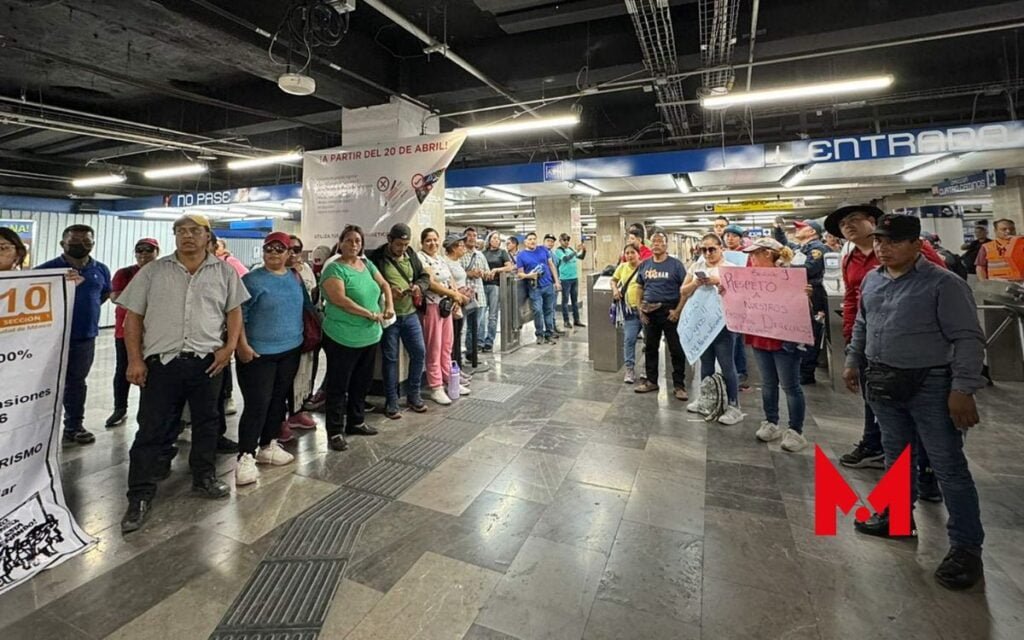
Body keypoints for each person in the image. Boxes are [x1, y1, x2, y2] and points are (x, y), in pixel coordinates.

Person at [842, 213, 986, 591]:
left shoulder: (944, 284)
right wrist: (853, 360)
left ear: (916, 244)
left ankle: (966, 547)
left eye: (892, 241)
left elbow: (968, 338)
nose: (882, 248)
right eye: (879, 241)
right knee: (896, 456)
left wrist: (963, 388)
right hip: (884, 381)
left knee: (947, 465)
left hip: (932, 384)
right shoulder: (873, 280)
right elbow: (863, 324)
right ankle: (896, 516)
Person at [117, 214, 249, 533]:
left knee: (207, 424)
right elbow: (132, 318)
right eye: (181, 231)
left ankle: (204, 478)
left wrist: (228, 348)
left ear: (207, 237)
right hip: (162, 363)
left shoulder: (225, 271)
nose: (187, 236)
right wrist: (134, 360)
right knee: (152, 428)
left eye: (194, 231)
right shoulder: (153, 271)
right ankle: (140, 495)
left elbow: (234, 312)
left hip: (207, 361)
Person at [825, 204, 947, 488]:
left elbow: (942, 287)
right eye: (844, 224)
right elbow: (854, 299)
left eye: (855, 220)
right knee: (877, 402)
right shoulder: (851, 259)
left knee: (922, 413)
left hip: (914, 348)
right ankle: (875, 447)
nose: (849, 226)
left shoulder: (917, 252)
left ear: (872, 221)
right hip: (870, 343)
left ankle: (929, 472)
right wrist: (851, 340)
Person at [233, 232, 303, 486]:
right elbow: (238, 315)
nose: (273, 254)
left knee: (277, 401)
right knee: (257, 404)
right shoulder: (251, 280)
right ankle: (246, 455)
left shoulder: (294, 278)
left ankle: (267, 445)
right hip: (258, 353)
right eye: (269, 249)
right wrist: (241, 345)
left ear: (288, 254)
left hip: (290, 350)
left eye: (279, 249)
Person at [319, 225, 393, 452]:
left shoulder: (367, 264)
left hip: (369, 336)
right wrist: (370, 314)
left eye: (358, 241)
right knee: (338, 386)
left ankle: (356, 421)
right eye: (349, 240)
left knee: (361, 382)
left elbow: (384, 284)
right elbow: (340, 300)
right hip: (342, 337)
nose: (353, 245)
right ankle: (334, 431)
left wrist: (389, 305)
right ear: (340, 243)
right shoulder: (334, 269)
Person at [38, 224, 112, 445]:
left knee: (77, 383)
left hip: (84, 337)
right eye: (74, 242)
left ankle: (73, 426)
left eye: (86, 242)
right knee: (44, 384)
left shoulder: (101, 270)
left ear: (93, 244)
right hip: (51, 339)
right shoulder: (46, 270)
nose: (81, 245)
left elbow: (104, 294)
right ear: (63, 244)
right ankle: (39, 429)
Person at [741, 238, 809, 452]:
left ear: (768, 254)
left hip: (785, 339)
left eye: (754, 254)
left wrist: (805, 295)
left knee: (790, 386)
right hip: (761, 336)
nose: (751, 259)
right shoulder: (751, 279)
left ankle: (795, 431)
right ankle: (771, 422)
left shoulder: (790, 277)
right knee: (768, 383)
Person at [367, 223, 430, 418]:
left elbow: (425, 276)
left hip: (410, 314)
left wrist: (419, 286)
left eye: (405, 244)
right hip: (389, 316)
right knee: (390, 359)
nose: (402, 248)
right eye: (398, 244)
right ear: (389, 240)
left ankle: (413, 395)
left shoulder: (411, 255)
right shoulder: (376, 258)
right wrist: (387, 293)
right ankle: (392, 401)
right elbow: (369, 284)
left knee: (419, 353)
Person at [680, 234, 744, 425]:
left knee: (726, 364)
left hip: (722, 325)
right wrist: (695, 283)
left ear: (720, 248)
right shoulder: (697, 267)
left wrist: (719, 281)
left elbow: (741, 295)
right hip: (701, 323)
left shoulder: (731, 269)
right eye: (703, 250)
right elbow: (683, 291)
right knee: (706, 363)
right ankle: (706, 398)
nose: (707, 253)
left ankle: (734, 406)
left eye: (711, 249)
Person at [106, 238, 160, 428]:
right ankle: (119, 408)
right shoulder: (125, 273)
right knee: (123, 370)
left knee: (155, 373)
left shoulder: (162, 273)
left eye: (148, 251)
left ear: (157, 252)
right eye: (140, 251)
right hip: (125, 331)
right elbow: (116, 297)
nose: (144, 255)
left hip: (155, 333)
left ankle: (151, 413)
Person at [634, 228, 688, 400]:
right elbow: (639, 287)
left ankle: (679, 385)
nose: (656, 244)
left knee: (676, 350)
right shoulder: (645, 264)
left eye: (660, 241)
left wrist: (678, 310)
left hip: (670, 311)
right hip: (649, 312)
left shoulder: (676, 265)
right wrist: (639, 309)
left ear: (666, 245)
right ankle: (651, 381)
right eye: (654, 241)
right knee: (650, 348)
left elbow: (685, 290)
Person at [419, 228, 470, 404]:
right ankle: (436, 386)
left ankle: (450, 380)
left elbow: (450, 280)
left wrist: (455, 295)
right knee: (434, 346)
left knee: (446, 346)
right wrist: (453, 294)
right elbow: (431, 283)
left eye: (435, 240)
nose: (432, 243)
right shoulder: (421, 259)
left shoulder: (440, 259)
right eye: (428, 241)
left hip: (446, 308)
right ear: (422, 243)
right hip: (432, 306)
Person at [284, 234, 318, 432]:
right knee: (284, 379)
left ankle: (297, 411)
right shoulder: (276, 273)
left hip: (304, 331)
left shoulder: (306, 270)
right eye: (288, 249)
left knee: (303, 372)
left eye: (297, 249)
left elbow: (313, 295)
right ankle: (278, 421)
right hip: (283, 334)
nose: (293, 254)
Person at [516, 231, 561, 345]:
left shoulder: (543, 250)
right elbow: (520, 274)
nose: (532, 241)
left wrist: (556, 281)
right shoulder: (521, 255)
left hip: (548, 285)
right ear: (525, 242)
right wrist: (529, 275)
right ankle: (539, 334)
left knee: (549, 310)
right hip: (534, 287)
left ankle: (549, 334)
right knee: (537, 310)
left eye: (534, 239)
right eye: (530, 239)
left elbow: (551, 265)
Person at [446, 233, 479, 375]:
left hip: (462, 301)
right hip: (454, 303)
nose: (463, 248)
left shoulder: (456, 262)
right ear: (453, 248)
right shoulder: (446, 262)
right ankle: (453, 369)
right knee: (453, 338)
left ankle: (457, 369)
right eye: (460, 245)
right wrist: (458, 295)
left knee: (458, 335)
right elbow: (449, 284)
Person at [612, 244, 643, 384]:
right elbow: (613, 280)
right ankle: (629, 369)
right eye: (627, 253)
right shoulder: (622, 267)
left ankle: (648, 369)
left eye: (632, 253)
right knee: (629, 340)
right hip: (630, 311)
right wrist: (614, 290)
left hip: (646, 310)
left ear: (638, 254)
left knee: (650, 342)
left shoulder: (645, 267)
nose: (630, 255)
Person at [461, 227, 490, 369]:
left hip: (480, 294)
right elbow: (456, 272)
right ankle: (464, 353)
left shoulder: (480, 255)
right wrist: (469, 273)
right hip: (465, 295)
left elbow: (487, 271)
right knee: (462, 326)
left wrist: (483, 273)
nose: (472, 238)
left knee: (476, 325)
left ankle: (472, 353)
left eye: (475, 235)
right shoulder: (460, 253)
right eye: (469, 235)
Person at [482, 231, 514, 351]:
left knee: (492, 315)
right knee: (481, 314)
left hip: (495, 285)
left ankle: (489, 341)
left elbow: (509, 267)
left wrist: (496, 269)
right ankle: (479, 340)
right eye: (494, 238)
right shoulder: (483, 253)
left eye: (498, 239)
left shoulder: (502, 252)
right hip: (483, 285)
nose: (496, 240)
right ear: (489, 239)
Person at [553, 233, 587, 329]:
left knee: (574, 301)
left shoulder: (570, 249)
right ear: (560, 241)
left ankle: (576, 320)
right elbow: (566, 259)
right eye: (564, 240)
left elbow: (581, 257)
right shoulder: (559, 251)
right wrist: (577, 250)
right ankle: (566, 321)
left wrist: (584, 251)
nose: (567, 242)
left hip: (574, 278)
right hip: (565, 279)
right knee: (565, 301)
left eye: (568, 240)